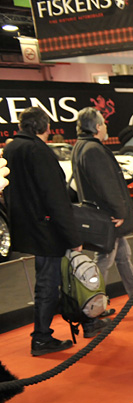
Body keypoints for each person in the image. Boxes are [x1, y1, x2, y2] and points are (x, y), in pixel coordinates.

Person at [1, 107, 83, 356]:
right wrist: (73, 236)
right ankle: (41, 337)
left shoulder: (12, 148)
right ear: (44, 127)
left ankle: (45, 333)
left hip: (27, 225)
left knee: (46, 282)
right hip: (45, 228)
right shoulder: (38, 150)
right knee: (49, 284)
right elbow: (54, 197)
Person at [73, 107, 133, 333]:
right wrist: (119, 211)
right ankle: (93, 305)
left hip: (101, 214)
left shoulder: (82, 147)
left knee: (121, 255)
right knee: (104, 260)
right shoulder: (93, 149)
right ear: (98, 126)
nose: (107, 127)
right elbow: (106, 185)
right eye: (104, 123)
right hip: (108, 216)